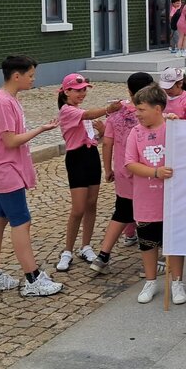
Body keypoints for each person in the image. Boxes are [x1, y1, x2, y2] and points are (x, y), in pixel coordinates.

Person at [0, 55, 63, 297]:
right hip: (6, 170)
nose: (33, 79)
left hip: (2, 167)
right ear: (17, 76)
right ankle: (32, 279)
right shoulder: (3, 102)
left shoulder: (7, 99)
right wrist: (40, 129)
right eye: (30, 75)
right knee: (21, 222)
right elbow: (10, 140)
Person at [125, 85, 186, 305]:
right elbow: (130, 163)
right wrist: (155, 172)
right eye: (136, 109)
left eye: (141, 109)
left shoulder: (172, 127)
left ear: (158, 109)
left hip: (172, 200)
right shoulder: (136, 133)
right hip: (146, 201)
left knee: (174, 243)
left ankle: (177, 281)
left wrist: (177, 123)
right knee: (148, 243)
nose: (137, 114)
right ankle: (150, 281)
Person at [91, 71, 156, 274]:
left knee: (122, 211)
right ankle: (153, 259)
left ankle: (103, 255)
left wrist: (108, 168)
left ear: (129, 90)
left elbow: (107, 143)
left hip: (122, 171)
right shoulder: (148, 114)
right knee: (148, 214)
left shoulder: (115, 114)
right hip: (144, 171)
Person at [55, 74, 121, 272]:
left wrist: (101, 132)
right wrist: (109, 109)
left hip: (91, 156)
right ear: (67, 91)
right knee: (78, 208)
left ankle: (86, 245)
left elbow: (93, 137)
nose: (82, 93)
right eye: (78, 90)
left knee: (92, 203)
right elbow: (90, 115)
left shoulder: (80, 111)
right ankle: (67, 250)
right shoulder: (67, 111)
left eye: (84, 90)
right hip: (76, 159)